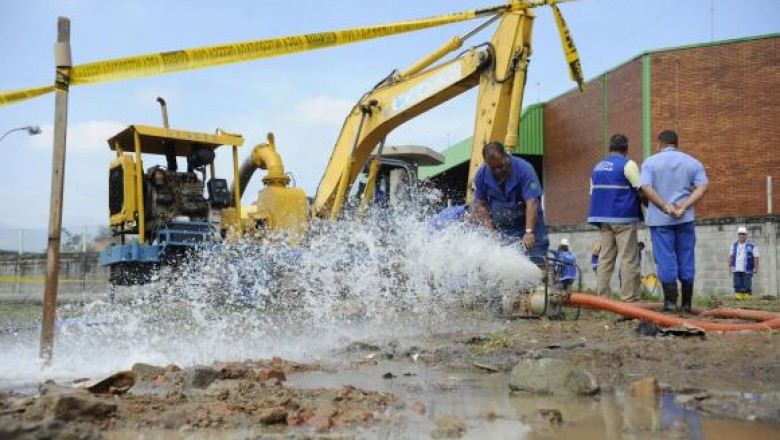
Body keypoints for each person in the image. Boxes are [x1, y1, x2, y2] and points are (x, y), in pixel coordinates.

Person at [640, 130, 708, 313]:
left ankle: (670, 303)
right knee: (686, 257)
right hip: (685, 219)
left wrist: (665, 207)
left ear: (659, 143)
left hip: (661, 221)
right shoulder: (692, 162)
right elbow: (702, 187)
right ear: (676, 144)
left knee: (666, 259)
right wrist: (684, 206)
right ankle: (686, 304)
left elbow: (645, 187)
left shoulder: (650, 163)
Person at [587, 134, 643, 302]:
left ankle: (602, 299)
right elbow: (639, 189)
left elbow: (593, 193)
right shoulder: (628, 164)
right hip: (623, 218)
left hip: (603, 219)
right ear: (626, 149)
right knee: (628, 259)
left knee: (605, 259)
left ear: (609, 148)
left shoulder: (597, 167)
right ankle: (629, 299)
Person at [473, 141, 549, 265]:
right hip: (504, 228)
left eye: (500, 166)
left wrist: (529, 231)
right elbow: (481, 204)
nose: (498, 170)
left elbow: (532, 201)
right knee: (507, 264)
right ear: (487, 164)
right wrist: (491, 230)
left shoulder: (524, 169)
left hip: (529, 223)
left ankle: (541, 282)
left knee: (537, 259)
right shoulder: (481, 176)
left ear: (506, 156)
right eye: (493, 168)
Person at [730, 226, 759, 300]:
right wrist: (730, 267)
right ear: (738, 235)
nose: (741, 236)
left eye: (743, 234)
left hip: (748, 268)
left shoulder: (752, 245)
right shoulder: (734, 245)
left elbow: (756, 257)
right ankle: (738, 295)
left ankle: (747, 295)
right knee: (737, 282)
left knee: (747, 283)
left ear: (746, 235)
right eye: (740, 234)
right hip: (736, 268)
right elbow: (731, 256)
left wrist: (756, 268)